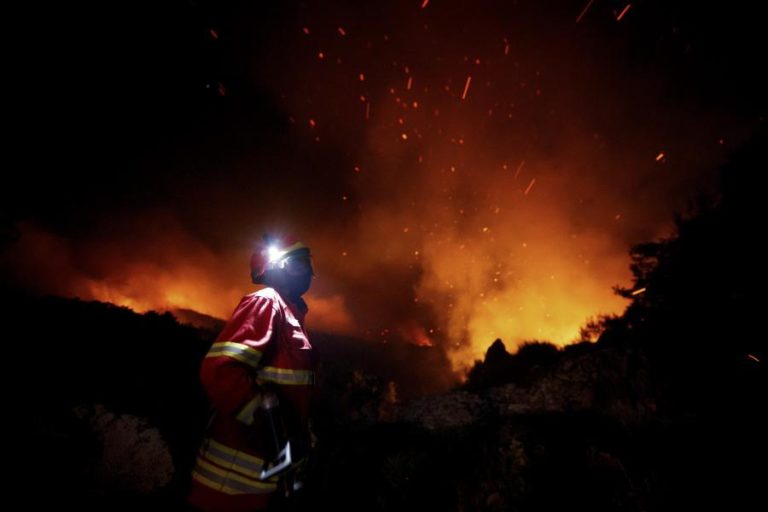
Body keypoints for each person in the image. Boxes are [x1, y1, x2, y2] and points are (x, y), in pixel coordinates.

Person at [189, 235, 315, 512]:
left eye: (308, 263)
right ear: (275, 269)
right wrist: (260, 418)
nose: (308, 272)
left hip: (268, 482)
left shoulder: (293, 314)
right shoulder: (266, 302)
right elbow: (220, 370)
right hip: (231, 487)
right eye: (298, 264)